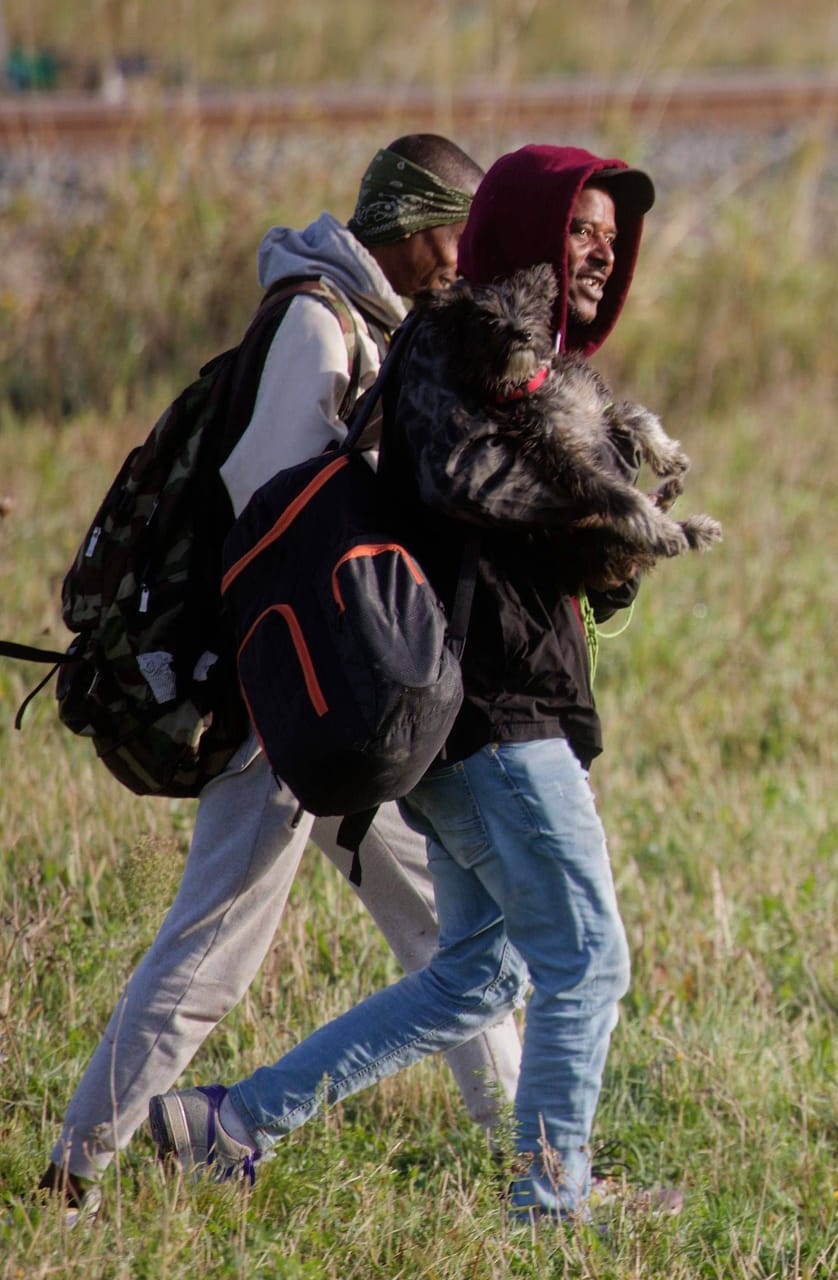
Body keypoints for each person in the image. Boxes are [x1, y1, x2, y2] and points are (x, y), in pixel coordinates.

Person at [148, 144, 668, 1222]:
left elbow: (538, 538)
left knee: (480, 974)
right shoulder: (453, 341)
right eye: (580, 230)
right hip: (488, 711)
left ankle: (231, 1124)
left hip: (499, 710)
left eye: (612, 245)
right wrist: (596, 505)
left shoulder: (532, 360)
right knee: (588, 959)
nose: (597, 259)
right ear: (525, 225)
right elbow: (461, 482)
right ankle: (554, 1202)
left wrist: (611, 535)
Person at [39, 135, 523, 1220]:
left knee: (451, 935)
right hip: (289, 695)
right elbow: (274, 498)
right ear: (408, 228)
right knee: (216, 941)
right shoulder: (318, 321)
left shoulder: (371, 325)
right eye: (459, 233)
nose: (467, 257)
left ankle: (542, 1164)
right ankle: (74, 1170)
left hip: (343, 694)